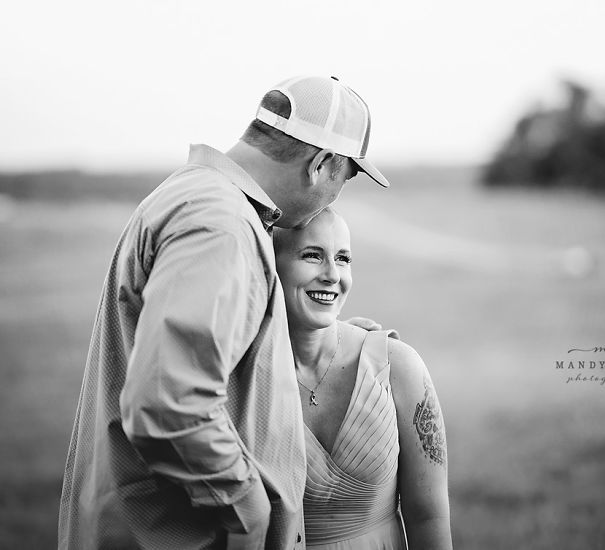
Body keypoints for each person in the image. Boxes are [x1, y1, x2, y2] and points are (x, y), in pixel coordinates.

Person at [58, 75, 391, 550]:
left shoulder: (196, 197)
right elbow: (169, 400)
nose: (335, 198)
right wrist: (249, 511)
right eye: (345, 178)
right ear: (321, 165)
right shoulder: (223, 225)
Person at [273, 208, 452, 549]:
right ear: (272, 265)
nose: (331, 274)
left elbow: (429, 516)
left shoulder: (398, 366)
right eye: (312, 256)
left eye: (343, 259)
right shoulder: (246, 380)